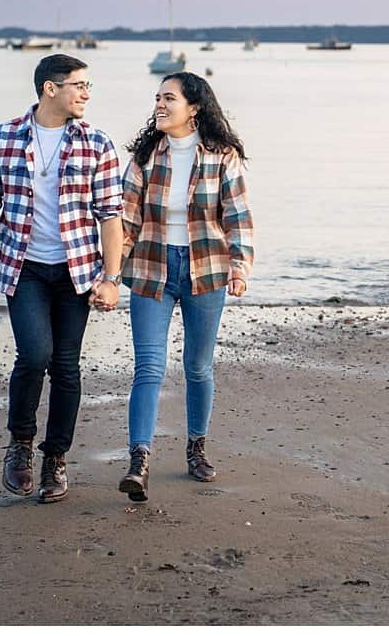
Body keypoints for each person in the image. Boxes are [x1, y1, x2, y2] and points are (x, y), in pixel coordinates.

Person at [0, 54, 125, 503]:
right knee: (34, 354)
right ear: (50, 89)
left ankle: (55, 457)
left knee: (66, 365)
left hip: (76, 271)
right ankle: (20, 446)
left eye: (88, 85)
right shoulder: (2, 137)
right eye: (79, 85)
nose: (87, 93)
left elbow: (111, 215)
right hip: (23, 266)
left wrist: (111, 278)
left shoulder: (98, 142)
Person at [115, 72, 253, 502]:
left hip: (206, 270)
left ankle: (196, 448)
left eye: (168, 98)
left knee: (198, 366)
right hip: (152, 268)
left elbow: (237, 215)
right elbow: (126, 220)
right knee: (149, 368)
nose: (159, 104)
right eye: (157, 97)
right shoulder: (144, 156)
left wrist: (240, 266)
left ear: (193, 107)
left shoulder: (221, 156)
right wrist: (108, 273)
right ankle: (139, 460)